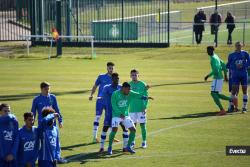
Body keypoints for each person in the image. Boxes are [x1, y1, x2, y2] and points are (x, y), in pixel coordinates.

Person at [108, 82, 153, 155]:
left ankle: (128, 147)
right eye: (128, 90)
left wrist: (146, 97)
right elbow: (114, 105)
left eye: (129, 90)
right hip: (116, 115)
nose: (129, 91)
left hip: (125, 115)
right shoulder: (115, 94)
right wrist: (120, 113)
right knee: (114, 129)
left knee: (133, 130)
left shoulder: (130, 92)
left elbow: (138, 95)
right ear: (123, 88)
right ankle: (110, 147)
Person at [31, 82, 67, 164]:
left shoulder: (53, 97)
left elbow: (57, 110)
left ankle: (56, 157)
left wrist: (60, 121)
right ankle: (41, 158)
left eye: (48, 89)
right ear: (41, 89)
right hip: (42, 125)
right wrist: (31, 123)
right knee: (42, 142)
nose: (47, 91)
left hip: (52, 124)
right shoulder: (36, 99)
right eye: (45, 89)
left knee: (55, 140)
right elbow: (33, 112)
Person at [98, 73, 129, 153]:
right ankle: (101, 147)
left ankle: (125, 147)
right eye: (115, 78)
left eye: (118, 78)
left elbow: (128, 93)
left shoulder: (121, 87)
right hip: (109, 112)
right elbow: (102, 97)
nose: (117, 80)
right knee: (105, 128)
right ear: (112, 79)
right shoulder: (106, 88)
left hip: (120, 113)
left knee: (125, 128)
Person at [89, 62, 114, 143]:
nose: (111, 69)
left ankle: (111, 137)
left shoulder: (115, 78)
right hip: (100, 100)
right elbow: (95, 86)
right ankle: (94, 137)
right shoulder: (101, 76)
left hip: (109, 101)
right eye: (110, 68)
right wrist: (91, 94)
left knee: (109, 118)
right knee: (97, 117)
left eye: (112, 68)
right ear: (107, 68)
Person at [204, 46, 234, 116]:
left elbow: (216, 70)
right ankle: (231, 100)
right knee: (216, 94)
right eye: (207, 50)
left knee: (213, 94)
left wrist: (208, 75)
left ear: (212, 50)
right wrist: (225, 75)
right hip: (220, 78)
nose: (207, 52)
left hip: (217, 78)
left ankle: (222, 110)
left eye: (208, 50)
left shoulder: (213, 58)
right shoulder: (216, 56)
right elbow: (223, 64)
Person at [226, 42, 250, 113]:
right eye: (237, 45)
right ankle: (230, 106)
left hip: (244, 75)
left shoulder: (245, 53)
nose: (238, 46)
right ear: (235, 46)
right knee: (234, 91)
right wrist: (233, 67)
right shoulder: (231, 55)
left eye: (239, 45)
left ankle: (244, 107)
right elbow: (228, 65)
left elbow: (249, 62)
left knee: (245, 90)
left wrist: (243, 65)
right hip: (235, 75)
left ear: (242, 46)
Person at [129, 69, 149, 149]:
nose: (134, 76)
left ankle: (144, 142)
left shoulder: (143, 84)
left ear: (138, 75)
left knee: (142, 126)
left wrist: (145, 107)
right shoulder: (129, 84)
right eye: (132, 75)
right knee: (133, 127)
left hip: (141, 109)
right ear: (130, 76)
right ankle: (132, 142)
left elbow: (146, 97)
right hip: (132, 109)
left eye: (135, 75)